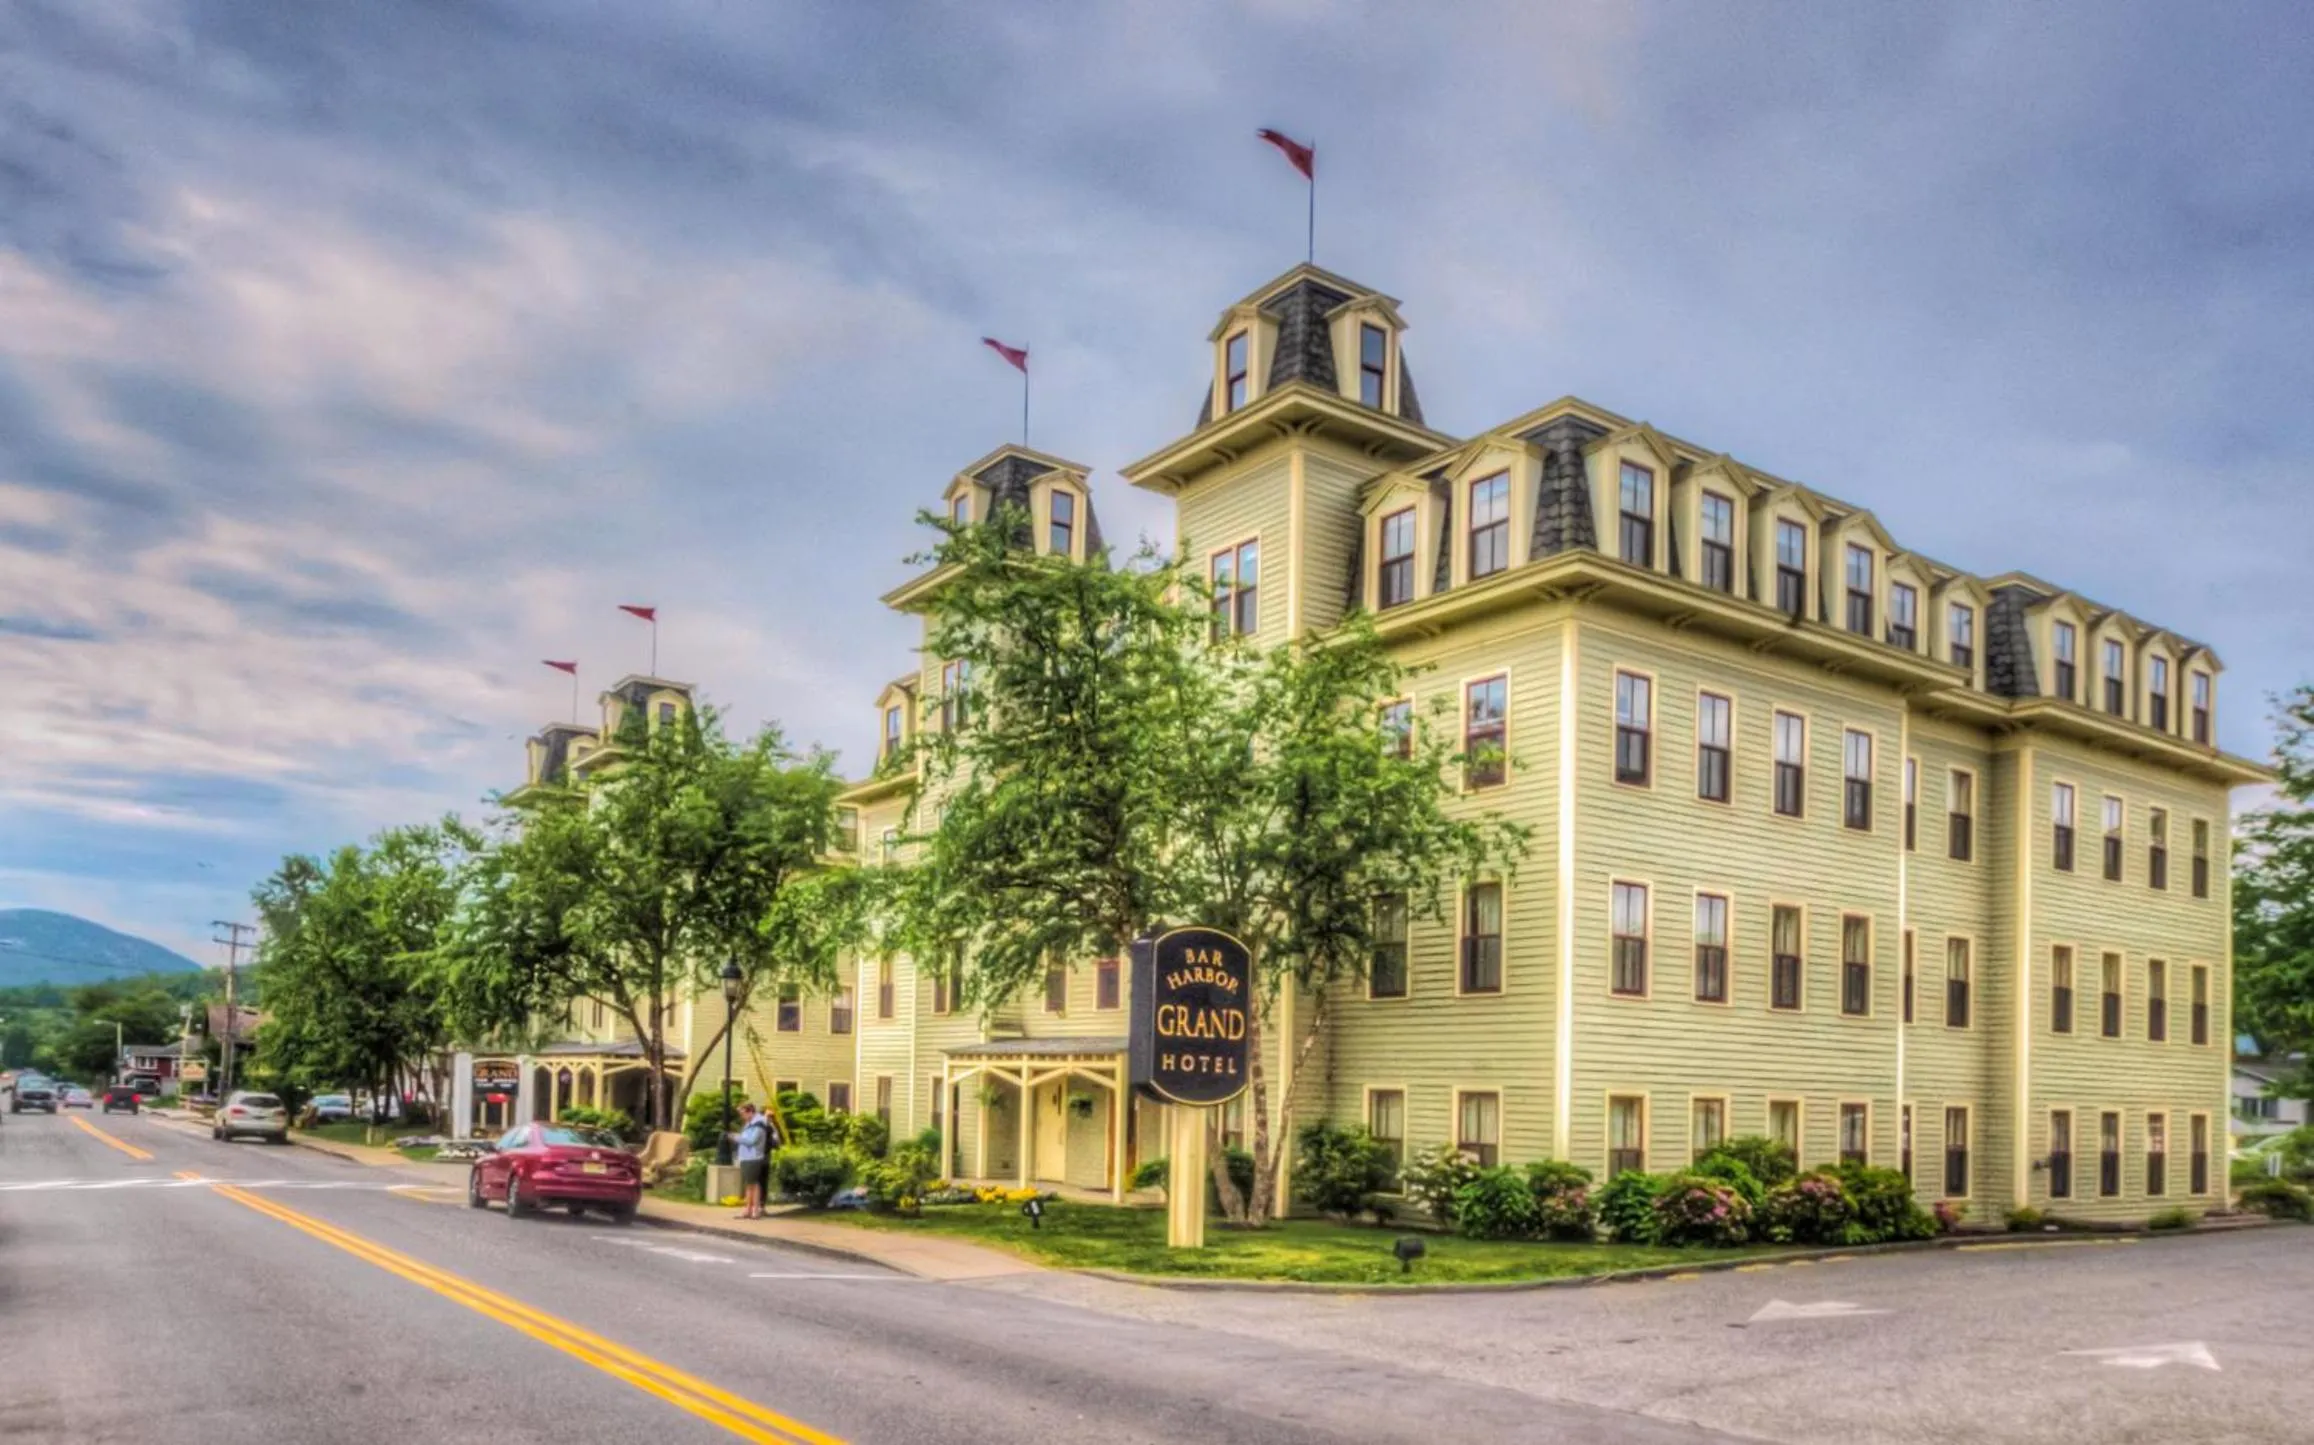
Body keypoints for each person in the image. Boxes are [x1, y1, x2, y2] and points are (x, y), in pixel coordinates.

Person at [732, 1101, 773, 1219]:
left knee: (754, 1184)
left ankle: (755, 1209)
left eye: (743, 1113)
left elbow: (751, 1141)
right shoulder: (749, 1124)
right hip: (746, 1157)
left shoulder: (759, 1124)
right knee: (749, 1184)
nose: (742, 1116)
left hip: (754, 1157)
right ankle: (748, 1209)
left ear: (750, 1112)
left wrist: (736, 1137)